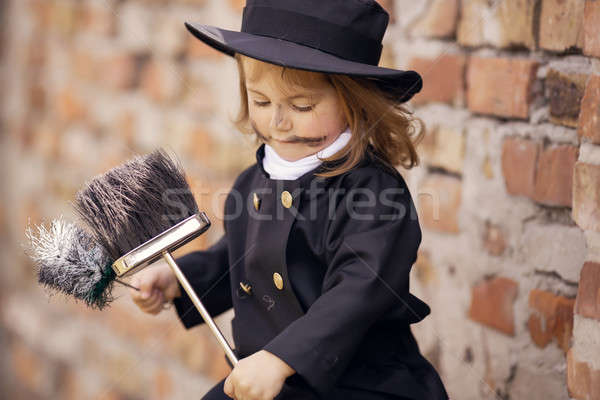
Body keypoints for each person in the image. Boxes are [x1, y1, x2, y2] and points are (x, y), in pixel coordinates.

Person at [129, 1, 449, 399]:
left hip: (360, 380)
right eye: (261, 101)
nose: (278, 121)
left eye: (301, 106)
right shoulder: (254, 181)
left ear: (355, 102)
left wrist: (282, 358)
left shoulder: (372, 191)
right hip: (272, 374)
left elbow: (359, 290)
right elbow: (242, 255)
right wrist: (179, 280)